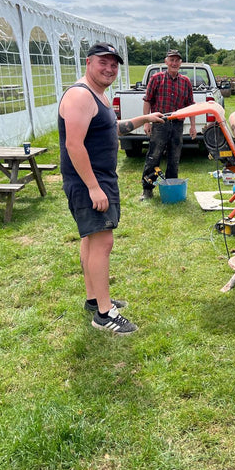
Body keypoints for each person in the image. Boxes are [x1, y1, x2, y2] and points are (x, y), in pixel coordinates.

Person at [59, 42, 164, 335]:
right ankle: (105, 315)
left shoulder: (99, 96)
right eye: (103, 63)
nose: (109, 69)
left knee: (91, 239)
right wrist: (93, 188)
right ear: (89, 62)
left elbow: (111, 128)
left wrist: (145, 118)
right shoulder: (80, 95)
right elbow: (73, 144)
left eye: (114, 64)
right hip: (88, 181)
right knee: (103, 243)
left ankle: (95, 299)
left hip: (99, 177)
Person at [140, 49, 197, 200]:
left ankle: (171, 188)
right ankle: (147, 190)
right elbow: (148, 101)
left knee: (174, 158)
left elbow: (191, 105)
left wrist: (192, 126)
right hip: (159, 124)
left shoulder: (185, 82)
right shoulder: (156, 79)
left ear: (180, 63)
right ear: (166, 62)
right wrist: (147, 122)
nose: (174, 63)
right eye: (171, 60)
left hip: (177, 125)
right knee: (154, 157)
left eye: (177, 60)